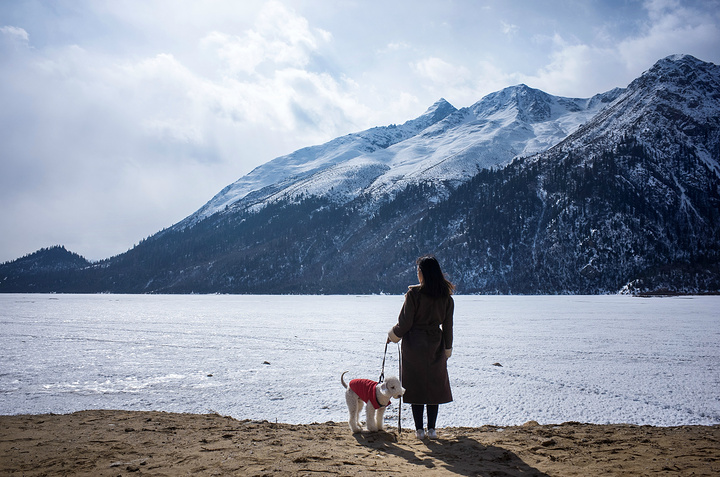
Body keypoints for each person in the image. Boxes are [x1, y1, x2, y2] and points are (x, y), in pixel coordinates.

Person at [387, 255, 454, 440]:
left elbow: (405, 323)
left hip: (414, 345)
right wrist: (447, 349)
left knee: (415, 386)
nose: (417, 274)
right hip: (436, 345)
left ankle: (419, 430)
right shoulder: (446, 298)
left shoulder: (414, 295)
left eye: (418, 271)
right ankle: (432, 429)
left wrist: (392, 336)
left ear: (423, 273)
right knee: (433, 386)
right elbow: (448, 327)